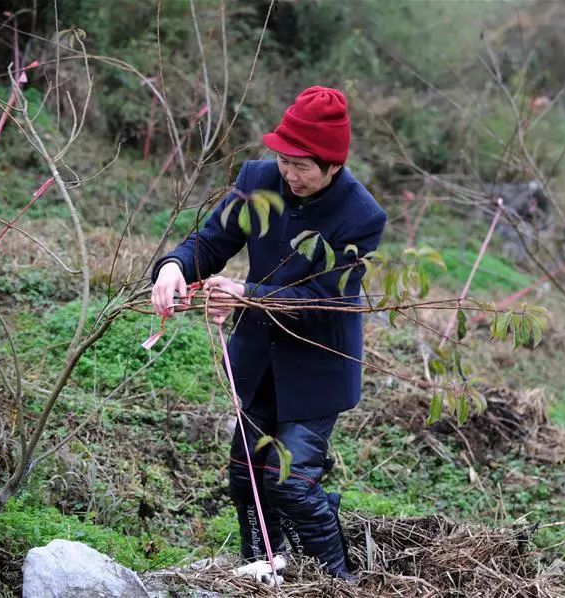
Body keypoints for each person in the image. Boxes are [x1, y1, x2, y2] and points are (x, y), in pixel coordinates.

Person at [150, 86, 387, 581]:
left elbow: (322, 299)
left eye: (302, 166)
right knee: (246, 476)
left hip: (319, 364)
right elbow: (212, 241)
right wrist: (175, 265)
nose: (288, 174)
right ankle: (262, 569)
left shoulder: (361, 216)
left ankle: (339, 582)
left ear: (332, 165)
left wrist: (246, 293)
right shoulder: (258, 180)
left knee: (293, 483)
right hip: (258, 356)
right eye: (284, 160)